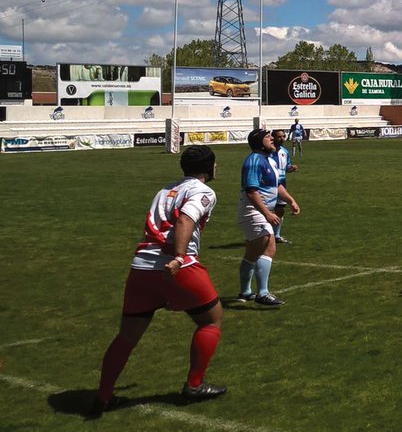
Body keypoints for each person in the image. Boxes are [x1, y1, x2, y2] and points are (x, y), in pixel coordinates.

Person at [92, 146, 227, 414]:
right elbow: (185, 220)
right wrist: (178, 256)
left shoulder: (165, 189)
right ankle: (194, 386)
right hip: (177, 266)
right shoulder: (203, 191)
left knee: (127, 335)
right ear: (209, 167)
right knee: (211, 319)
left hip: (141, 267)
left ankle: (104, 395)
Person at [236, 129, 299, 306]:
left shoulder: (268, 159)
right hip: (252, 210)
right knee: (269, 246)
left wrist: (291, 200)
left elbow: (276, 185)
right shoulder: (255, 160)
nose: (272, 139)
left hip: (259, 210)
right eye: (267, 137)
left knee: (253, 252)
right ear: (258, 141)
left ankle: (246, 292)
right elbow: (251, 191)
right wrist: (267, 213)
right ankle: (262, 293)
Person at [270, 128, 300, 244]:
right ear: (273, 138)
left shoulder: (285, 152)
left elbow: (286, 167)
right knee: (267, 209)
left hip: (282, 183)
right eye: (279, 137)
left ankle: (276, 235)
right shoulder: (267, 152)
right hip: (269, 183)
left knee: (280, 209)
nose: (282, 139)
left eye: (283, 136)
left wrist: (291, 168)